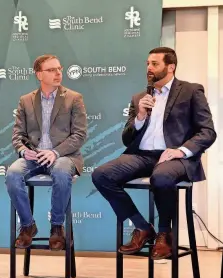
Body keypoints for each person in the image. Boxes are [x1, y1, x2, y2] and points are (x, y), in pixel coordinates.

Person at [92, 47, 216, 259]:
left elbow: (207, 132)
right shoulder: (140, 97)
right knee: (101, 175)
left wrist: (181, 151)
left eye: (154, 64)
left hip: (173, 157)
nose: (149, 68)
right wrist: (140, 116)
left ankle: (165, 234)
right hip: (141, 155)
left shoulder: (191, 91)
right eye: (147, 64)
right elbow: (127, 138)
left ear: (171, 67)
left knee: (161, 177)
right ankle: (142, 227)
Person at [5, 54, 88, 251]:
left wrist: (55, 152)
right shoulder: (26, 100)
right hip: (34, 156)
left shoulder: (73, 98)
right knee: (12, 174)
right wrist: (24, 150)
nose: (58, 73)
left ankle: (57, 227)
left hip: (63, 156)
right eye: (52, 70)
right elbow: (17, 134)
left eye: (59, 69)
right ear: (39, 74)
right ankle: (27, 225)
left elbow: (80, 134)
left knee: (60, 172)